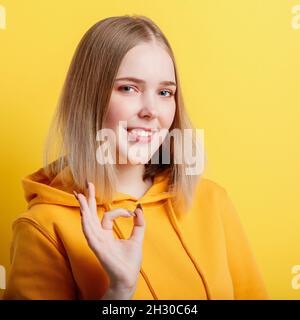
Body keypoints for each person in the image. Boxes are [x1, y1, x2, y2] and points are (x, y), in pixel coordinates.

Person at [3, 15, 268, 300]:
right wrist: (119, 291)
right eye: (128, 88)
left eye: (165, 92)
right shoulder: (44, 226)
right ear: (88, 97)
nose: (151, 110)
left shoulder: (211, 201)